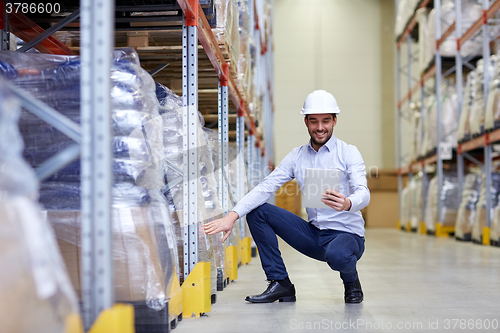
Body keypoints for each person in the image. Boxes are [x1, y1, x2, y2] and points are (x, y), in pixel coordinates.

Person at [204, 90, 370, 304]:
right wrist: (233, 215)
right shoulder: (297, 157)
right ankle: (280, 283)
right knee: (258, 212)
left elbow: (364, 193)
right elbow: (265, 187)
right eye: (314, 121)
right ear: (306, 122)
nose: (320, 128)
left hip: (347, 237)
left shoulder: (348, 153)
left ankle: (351, 281)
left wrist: (348, 203)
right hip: (315, 235)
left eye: (326, 121)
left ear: (335, 121)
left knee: (339, 255)